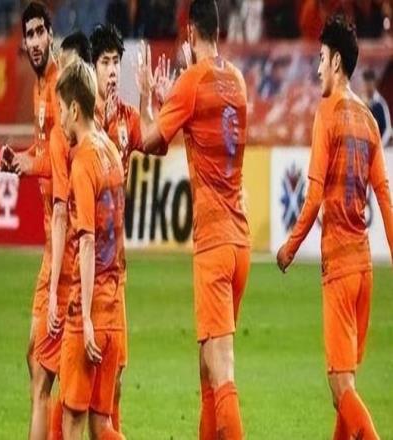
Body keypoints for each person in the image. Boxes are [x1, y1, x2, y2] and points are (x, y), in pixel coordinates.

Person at [137, 0, 251, 437]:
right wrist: (173, 100)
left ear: (189, 33)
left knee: (221, 369)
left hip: (214, 244)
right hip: (240, 244)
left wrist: (148, 96)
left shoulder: (191, 81)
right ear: (218, 31)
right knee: (207, 367)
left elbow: (149, 141)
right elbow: (202, 125)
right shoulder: (237, 80)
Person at [277, 15, 393, 440]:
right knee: (346, 386)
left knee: (341, 387)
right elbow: (385, 198)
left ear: (337, 61)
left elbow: (312, 199)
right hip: (365, 271)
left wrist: (289, 248)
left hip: (340, 269)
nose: (318, 68)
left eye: (322, 58)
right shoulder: (369, 121)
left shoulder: (327, 113)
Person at [0, 4, 92, 438]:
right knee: (36, 362)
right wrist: (23, 159)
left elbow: (64, 162)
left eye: (41, 32)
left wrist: (29, 165)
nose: (35, 41)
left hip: (66, 244)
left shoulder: (61, 86)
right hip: (51, 245)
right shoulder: (40, 88)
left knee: (47, 373)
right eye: (29, 34)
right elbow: (47, 152)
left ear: (51, 35)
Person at [89, 22, 165, 433]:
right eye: (105, 62)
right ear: (92, 68)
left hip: (116, 272)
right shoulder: (82, 121)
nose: (114, 71)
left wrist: (150, 100)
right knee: (80, 391)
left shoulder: (126, 118)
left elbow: (158, 144)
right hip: (85, 271)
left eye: (117, 62)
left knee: (114, 378)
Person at [56, 59, 125, 440]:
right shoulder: (111, 150)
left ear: (74, 109)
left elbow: (86, 241)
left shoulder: (82, 162)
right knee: (102, 425)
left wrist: (84, 319)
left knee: (73, 420)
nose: (59, 119)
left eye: (61, 110)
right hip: (115, 307)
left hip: (90, 309)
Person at [363, 68, 392, 147]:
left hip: (378, 146)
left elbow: (387, 129)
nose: (368, 88)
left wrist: (380, 145)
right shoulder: (361, 103)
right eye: (366, 85)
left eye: (370, 85)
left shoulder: (380, 104)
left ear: (374, 84)